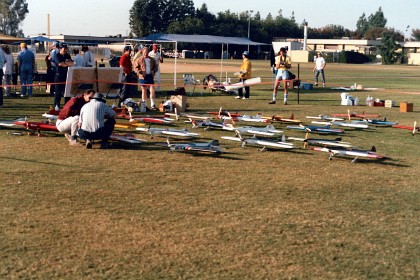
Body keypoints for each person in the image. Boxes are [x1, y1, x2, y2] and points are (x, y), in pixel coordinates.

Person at [54, 43, 74, 108]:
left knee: (67, 92)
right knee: (58, 92)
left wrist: (65, 63)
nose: (65, 50)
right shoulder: (57, 55)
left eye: (66, 49)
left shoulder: (68, 55)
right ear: (60, 48)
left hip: (67, 75)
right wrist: (66, 63)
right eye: (64, 48)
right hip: (59, 76)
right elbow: (60, 64)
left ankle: (67, 106)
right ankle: (57, 106)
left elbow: (71, 63)